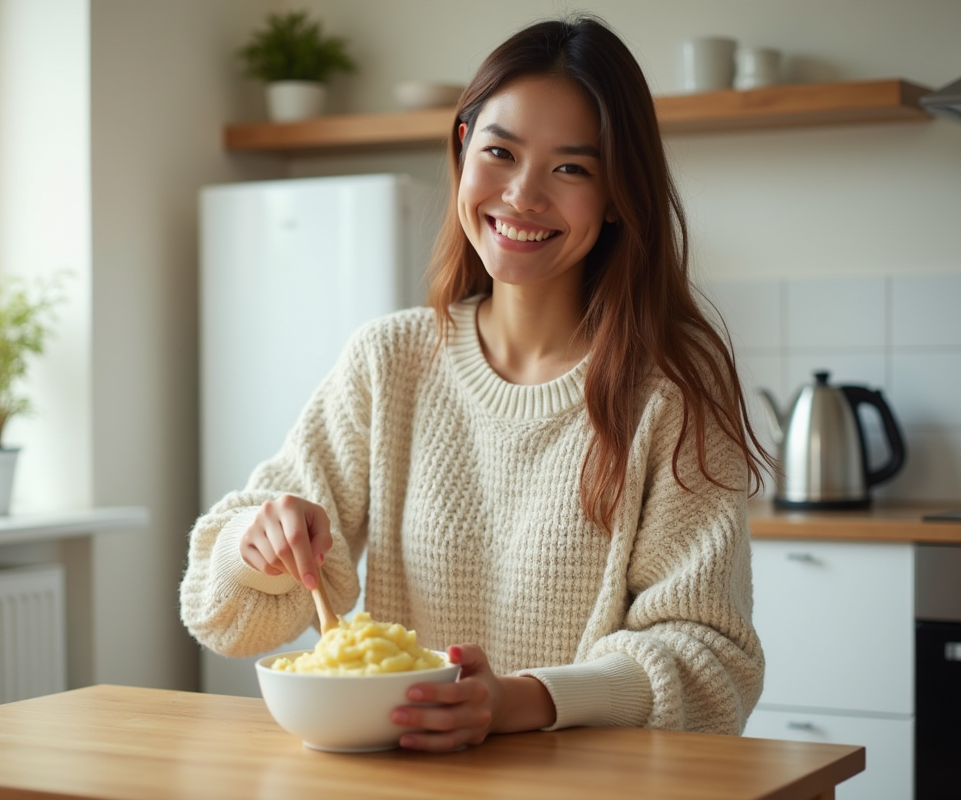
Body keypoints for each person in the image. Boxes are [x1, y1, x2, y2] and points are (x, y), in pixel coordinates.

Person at [180, 14, 771, 753]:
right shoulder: (388, 361)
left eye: (572, 168)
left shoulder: (670, 385)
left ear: (619, 194)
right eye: (501, 152)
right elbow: (226, 614)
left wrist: (523, 701)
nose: (522, 196)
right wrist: (255, 543)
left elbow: (713, 666)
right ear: (463, 151)